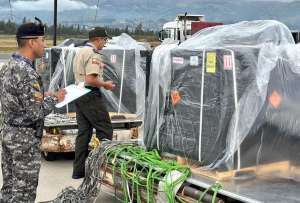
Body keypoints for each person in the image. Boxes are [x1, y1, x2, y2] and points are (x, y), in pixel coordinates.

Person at [0, 17, 66, 202]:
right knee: (24, 193)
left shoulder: (9, 66)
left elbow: (17, 98)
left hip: (9, 133)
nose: (44, 45)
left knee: (9, 188)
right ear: (31, 42)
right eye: (42, 40)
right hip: (24, 140)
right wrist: (55, 98)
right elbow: (35, 113)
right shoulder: (27, 73)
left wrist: (43, 95)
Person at [72, 27, 115, 179]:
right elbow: (91, 79)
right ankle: (101, 169)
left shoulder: (80, 52)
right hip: (90, 94)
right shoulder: (93, 54)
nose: (104, 43)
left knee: (84, 132)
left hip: (78, 93)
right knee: (105, 129)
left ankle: (79, 171)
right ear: (97, 39)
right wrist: (105, 85)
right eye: (104, 40)